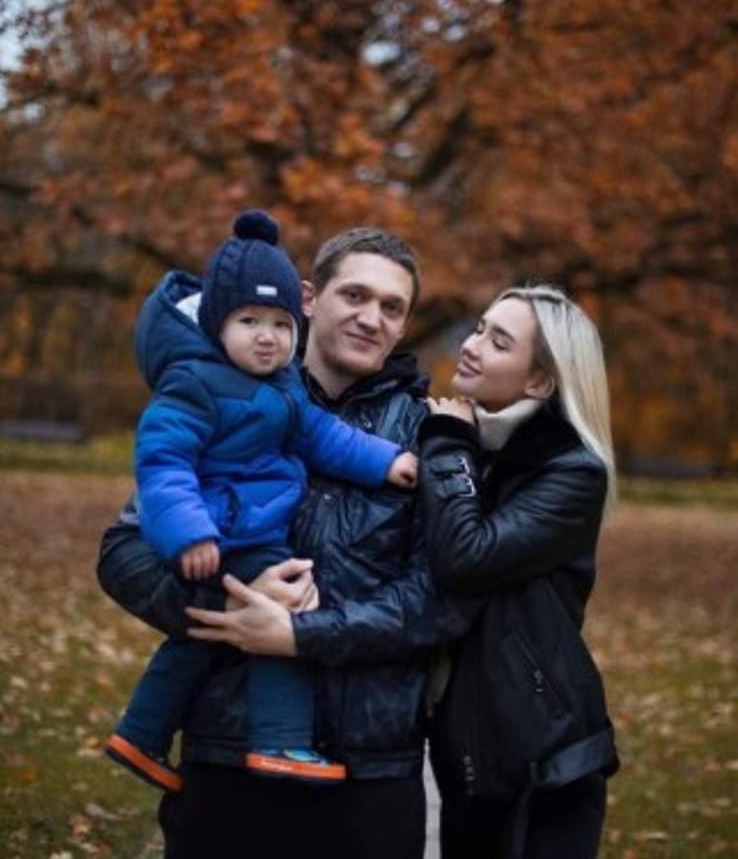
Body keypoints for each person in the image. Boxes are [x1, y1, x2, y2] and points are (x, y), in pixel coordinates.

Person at [97, 226, 466, 859]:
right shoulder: (223, 393)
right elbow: (122, 552)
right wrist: (227, 605)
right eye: (354, 295)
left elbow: (441, 599)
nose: (371, 317)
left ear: (404, 327)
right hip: (227, 748)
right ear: (308, 298)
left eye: (392, 307)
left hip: (372, 769)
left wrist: (300, 633)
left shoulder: (428, 434)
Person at [414, 285, 620, 858]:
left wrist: (449, 446)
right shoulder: (482, 445)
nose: (473, 346)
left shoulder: (572, 471)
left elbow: (468, 556)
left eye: (498, 341)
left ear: (539, 382)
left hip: (543, 759)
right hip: (465, 745)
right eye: (479, 328)